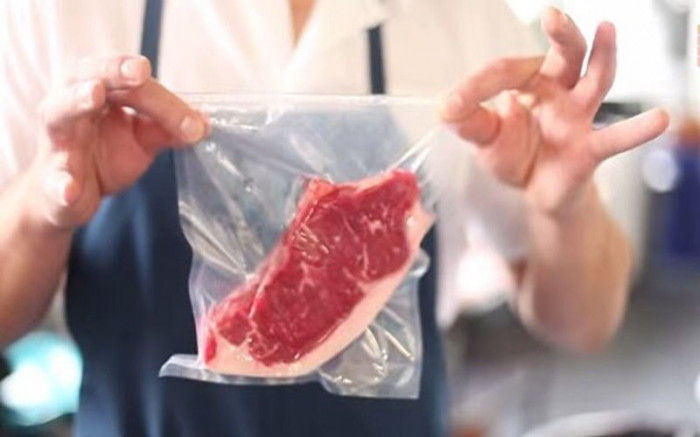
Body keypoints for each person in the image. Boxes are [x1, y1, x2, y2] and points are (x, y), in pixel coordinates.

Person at [0, 1, 669, 436]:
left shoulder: (462, 15)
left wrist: (563, 207)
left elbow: (587, 321)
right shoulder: (56, 11)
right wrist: (42, 206)